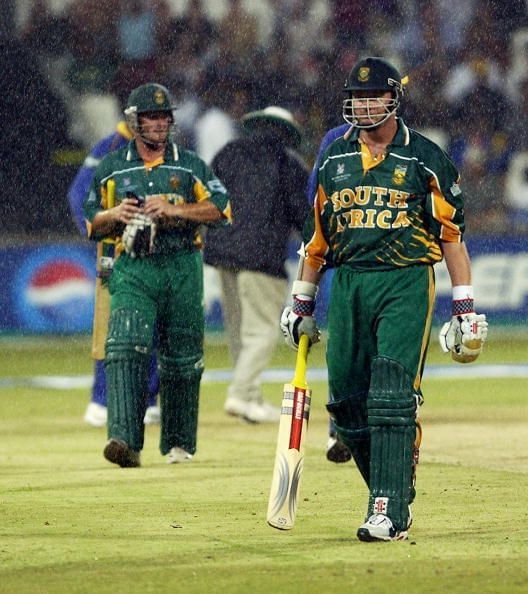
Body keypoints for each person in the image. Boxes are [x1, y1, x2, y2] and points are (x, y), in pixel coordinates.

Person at [280, 57, 488, 542]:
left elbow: (452, 238)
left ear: (395, 99)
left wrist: (465, 306)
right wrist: (301, 302)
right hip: (349, 283)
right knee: (347, 406)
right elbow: (318, 242)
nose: (363, 105)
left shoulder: (426, 159)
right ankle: (393, 485)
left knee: (392, 398)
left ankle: (389, 510)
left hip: (406, 282)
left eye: (373, 97)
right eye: (356, 97)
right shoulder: (333, 159)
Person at [83, 83, 231, 467]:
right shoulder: (113, 166)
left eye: (165, 117)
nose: (160, 124)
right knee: (124, 348)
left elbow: (222, 208)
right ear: (134, 122)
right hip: (133, 265)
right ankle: (124, 440)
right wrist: (115, 216)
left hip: (182, 264)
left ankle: (180, 443)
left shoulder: (190, 165)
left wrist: (176, 210)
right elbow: (90, 220)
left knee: (182, 357)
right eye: (151, 117)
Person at [203, 106, 310, 423]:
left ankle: (250, 398)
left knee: (238, 332)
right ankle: (240, 394)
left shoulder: (229, 152)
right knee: (261, 332)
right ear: (286, 133)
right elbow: (302, 214)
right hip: (263, 256)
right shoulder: (288, 162)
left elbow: (210, 195)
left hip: (223, 253)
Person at [68, 115, 161, 428]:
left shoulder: (160, 148)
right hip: (114, 251)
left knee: (151, 323)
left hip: (152, 250)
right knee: (111, 326)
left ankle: (146, 400)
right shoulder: (110, 146)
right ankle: (101, 400)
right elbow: (79, 195)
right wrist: (100, 229)